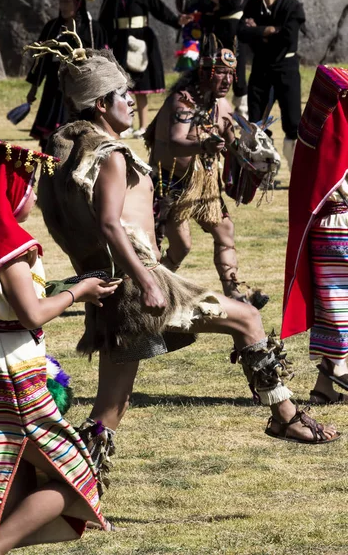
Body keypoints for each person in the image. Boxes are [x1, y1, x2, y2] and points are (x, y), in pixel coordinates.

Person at [29, 32, 339, 493]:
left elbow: (68, 223)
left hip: (108, 287)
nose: (131, 103)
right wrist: (148, 281)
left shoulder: (63, 150)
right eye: (122, 96)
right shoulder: (110, 155)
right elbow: (112, 224)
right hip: (140, 283)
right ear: (99, 104)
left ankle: (69, 492)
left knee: (109, 410)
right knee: (249, 319)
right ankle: (285, 416)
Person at [0, 136, 120, 554]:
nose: (32, 193)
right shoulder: (11, 246)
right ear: (12, 186)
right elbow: (32, 314)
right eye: (28, 182)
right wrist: (80, 293)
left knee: (1, 472)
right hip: (12, 366)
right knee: (77, 481)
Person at [144, 43, 269, 309]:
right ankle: (153, 289)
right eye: (220, 73)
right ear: (204, 74)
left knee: (225, 231)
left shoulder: (221, 106)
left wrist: (254, 158)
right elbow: (177, 141)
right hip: (172, 182)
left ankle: (233, 291)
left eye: (230, 74)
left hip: (204, 182)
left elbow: (233, 145)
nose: (227, 80)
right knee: (181, 247)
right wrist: (203, 145)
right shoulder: (183, 102)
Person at [282, 65, 348, 405]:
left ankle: (323, 388)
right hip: (342, 228)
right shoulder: (337, 135)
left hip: (325, 229)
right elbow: (329, 73)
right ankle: (339, 366)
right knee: (339, 305)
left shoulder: (315, 131)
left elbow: (328, 76)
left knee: (333, 305)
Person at [99, 0, 192, 138]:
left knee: (141, 87)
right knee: (121, 86)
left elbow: (161, 10)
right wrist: (103, 44)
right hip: (119, 44)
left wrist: (177, 21)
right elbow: (103, 22)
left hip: (141, 43)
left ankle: (143, 126)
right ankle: (124, 125)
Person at [238, 0, 305, 172]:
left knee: (293, 122)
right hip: (261, 69)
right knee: (257, 122)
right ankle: (263, 169)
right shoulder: (252, 6)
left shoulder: (292, 5)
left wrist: (258, 30)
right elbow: (242, 32)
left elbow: (288, 36)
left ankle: (297, 169)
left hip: (286, 69)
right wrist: (268, 30)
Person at [26, 0, 107, 150]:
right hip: (53, 88)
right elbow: (40, 61)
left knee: (78, 136)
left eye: (67, 2)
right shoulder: (52, 28)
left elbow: (103, 60)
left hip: (79, 89)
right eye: (61, 2)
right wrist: (34, 88)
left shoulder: (93, 30)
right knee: (49, 137)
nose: (62, 6)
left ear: (78, 4)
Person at [197, 0, 249, 116]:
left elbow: (236, 3)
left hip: (235, 30)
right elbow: (201, 3)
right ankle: (212, 108)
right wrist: (223, 0)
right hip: (213, 31)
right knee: (213, 67)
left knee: (238, 70)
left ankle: (242, 111)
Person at [174, 0, 213, 72]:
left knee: (211, 55)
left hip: (213, 23)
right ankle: (188, 83)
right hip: (193, 24)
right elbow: (180, 1)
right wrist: (183, 14)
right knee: (190, 54)